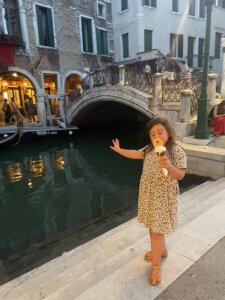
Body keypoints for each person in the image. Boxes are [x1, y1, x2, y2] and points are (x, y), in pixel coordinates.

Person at [110, 117, 187, 286]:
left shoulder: (175, 151)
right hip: (149, 193)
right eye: (152, 133)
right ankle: (162, 250)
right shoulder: (150, 149)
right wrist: (119, 150)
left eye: (160, 132)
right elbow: (135, 153)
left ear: (168, 132)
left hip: (163, 195)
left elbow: (180, 175)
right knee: (156, 227)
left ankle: (156, 267)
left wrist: (168, 166)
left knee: (155, 231)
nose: (156, 135)